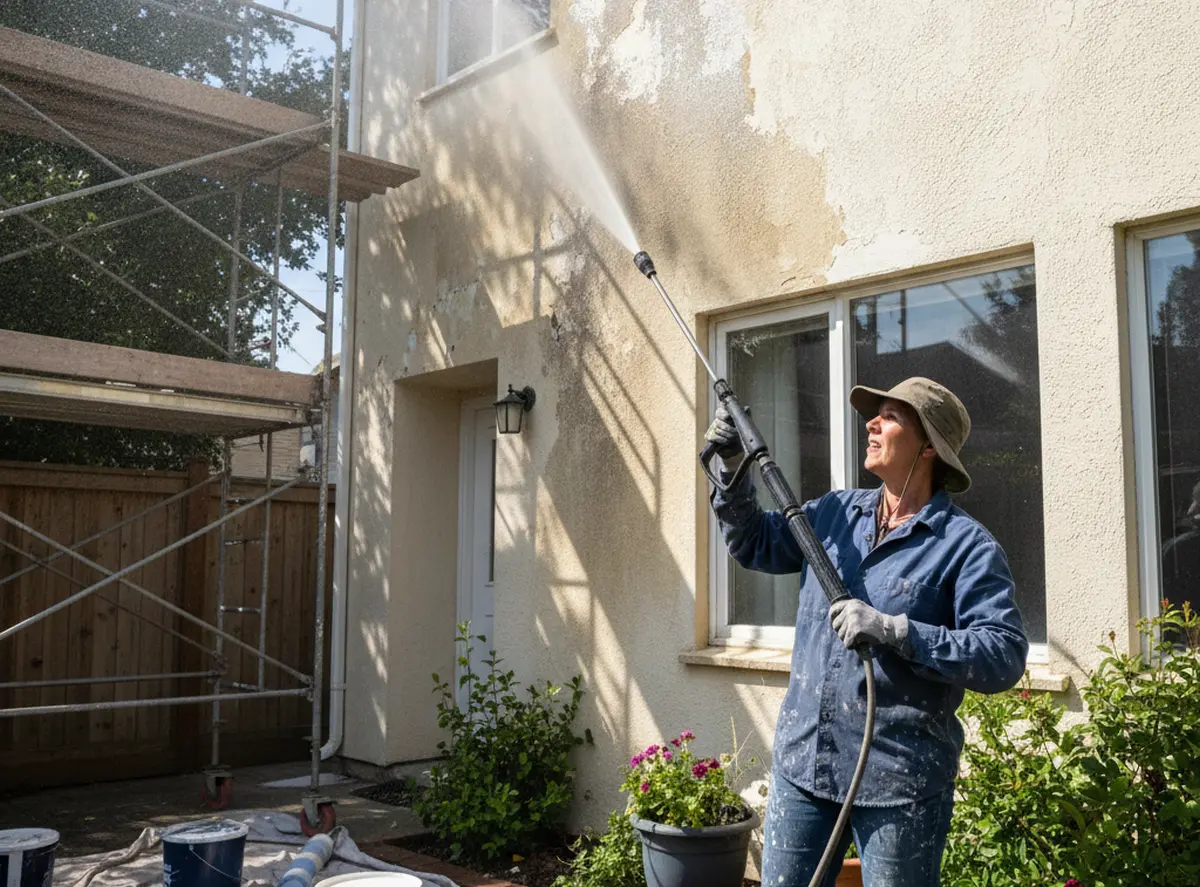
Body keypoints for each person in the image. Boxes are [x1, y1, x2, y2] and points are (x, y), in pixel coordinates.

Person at [707, 377, 1028, 887]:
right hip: (805, 767)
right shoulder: (834, 514)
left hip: (900, 784)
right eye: (874, 414)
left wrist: (896, 630)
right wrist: (732, 467)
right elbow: (755, 543)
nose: (872, 423)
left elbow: (1003, 654)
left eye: (891, 416)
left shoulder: (966, 547)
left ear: (929, 447)